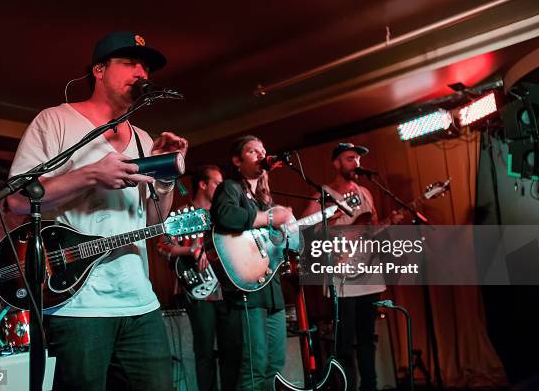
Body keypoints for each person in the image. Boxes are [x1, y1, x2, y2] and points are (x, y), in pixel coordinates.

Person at [7, 31, 188, 391]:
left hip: (140, 302)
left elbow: (154, 222)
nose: (141, 72)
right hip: (77, 305)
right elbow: (17, 200)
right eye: (130, 62)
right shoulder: (55, 120)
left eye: (146, 66)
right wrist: (92, 174)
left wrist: (164, 177)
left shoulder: (142, 137)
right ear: (100, 69)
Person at [301, 142, 403, 391]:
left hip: (369, 274)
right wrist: (325, 224)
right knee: (345, 342)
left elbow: (371, 229)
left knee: (367, 339)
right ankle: (349, 387)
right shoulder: (323, 194)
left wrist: (390, 222)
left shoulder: (365, 192)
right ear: (336, 163)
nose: (355, 162)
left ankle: (370, 386)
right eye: (349, 158)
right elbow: (303, 227)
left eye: (357, 158)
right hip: (342, 276)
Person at [211, 135, 293, 391]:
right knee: (254, 368)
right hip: (249, 291)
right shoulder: (231, 188)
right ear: (237, 160)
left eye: (263, 150)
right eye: (252, 151)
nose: (260, 154)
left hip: (272, 291)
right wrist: (269, 219)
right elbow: (225, 215)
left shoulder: (264, 199)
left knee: (274, 365)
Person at [157, 165, 241, 391]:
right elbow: (163, 245)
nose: (222, 189)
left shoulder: (223, 213)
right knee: (204, 352)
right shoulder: (185, 213)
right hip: (199, 290)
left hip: (229, 289)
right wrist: (189, 250)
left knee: (231, 351)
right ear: (203, 184)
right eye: (217, 183)